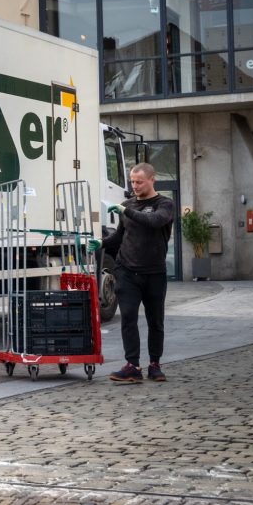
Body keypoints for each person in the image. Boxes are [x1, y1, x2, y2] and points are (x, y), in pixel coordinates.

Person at [93, 162, 175, 384]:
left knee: (155, 321)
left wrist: (126, 210)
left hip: (154, 273)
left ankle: (155, 365)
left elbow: (154, 222)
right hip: (127, 272)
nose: (135, 185)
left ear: (152, 179)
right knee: (128, 317)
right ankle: (132, 366)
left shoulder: (164, 204)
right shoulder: (126, 205)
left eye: (139, 181)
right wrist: (100, 242)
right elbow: (119, 238)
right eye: (132, 181)